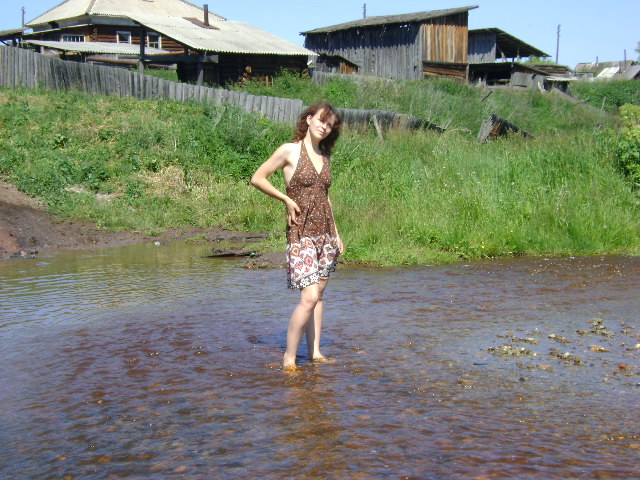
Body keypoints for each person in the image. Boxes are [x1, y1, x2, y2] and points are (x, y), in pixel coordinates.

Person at [251, 101, 344, 371]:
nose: (324, 127)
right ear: (309, 118)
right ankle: (289, 359)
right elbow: (258, 178)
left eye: (330, 125)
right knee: (309, 297)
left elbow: (325, 196)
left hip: (325, 233)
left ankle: (315, 353)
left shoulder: (325, 156)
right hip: (300, 232)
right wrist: (285, 199)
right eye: (321, 120)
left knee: (319, 296)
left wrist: (337, 233)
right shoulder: (289, 150)